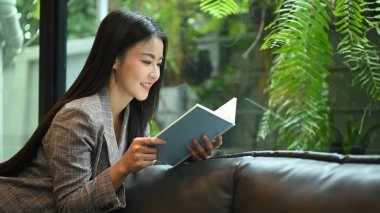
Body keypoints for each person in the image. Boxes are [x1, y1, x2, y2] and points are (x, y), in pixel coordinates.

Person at [0, 9, 222, 212]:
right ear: (115, 59)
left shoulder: (135, 119)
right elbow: (69, 207)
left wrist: (187, 155)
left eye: (159, 63)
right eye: (147, 61)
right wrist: (123, 166)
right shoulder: (78, 117)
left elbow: (141, 175)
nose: (155, 74)